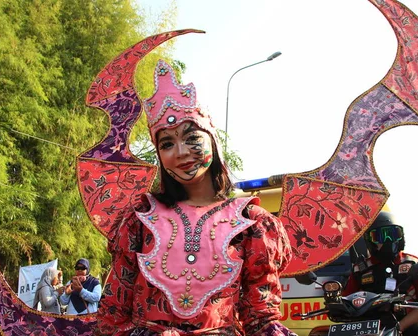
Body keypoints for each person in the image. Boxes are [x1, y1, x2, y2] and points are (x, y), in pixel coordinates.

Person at [93, 60, 295, 335]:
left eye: (192, 138)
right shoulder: (140, 220)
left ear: (211, 139)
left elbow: (260, 318)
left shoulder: (252, 223)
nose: (180, 152)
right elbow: (113, 313)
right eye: (167, 144)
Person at [342, 211, 418, 336]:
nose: (388, 241)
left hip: (406, 326)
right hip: (369, 329)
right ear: (369, 240)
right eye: (379, 236)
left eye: (393, 234)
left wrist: (399, 328)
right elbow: (345, 302)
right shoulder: (360, 269)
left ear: (401, 236)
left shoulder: (413, 263)